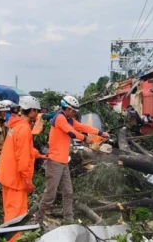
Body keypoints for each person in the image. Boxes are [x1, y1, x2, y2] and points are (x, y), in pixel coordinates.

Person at [33, 95, 109, 224]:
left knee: (68, 192)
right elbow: (71, 132)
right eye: (73, 110)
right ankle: (37, 219)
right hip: (55, 162)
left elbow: (83, 127)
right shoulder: (59, 118)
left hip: (63, 162)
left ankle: (68, 219)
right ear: (67, 109)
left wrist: (100, 133)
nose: (74, 113)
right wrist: (85, 139)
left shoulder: (69, 119)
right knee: (50, 195)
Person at [0, 96, 45, 241]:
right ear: (32, 111)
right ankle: (12, 239)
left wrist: (38, 154)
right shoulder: (23, 128)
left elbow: (23, 148)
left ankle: (8, 237)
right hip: (15, 178)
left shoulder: (16, 125)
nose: (37, 115)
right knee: (16, 214)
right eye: (37, 111)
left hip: (7, 175)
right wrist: (27, 179)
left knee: (10, 210)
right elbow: (22, 157)